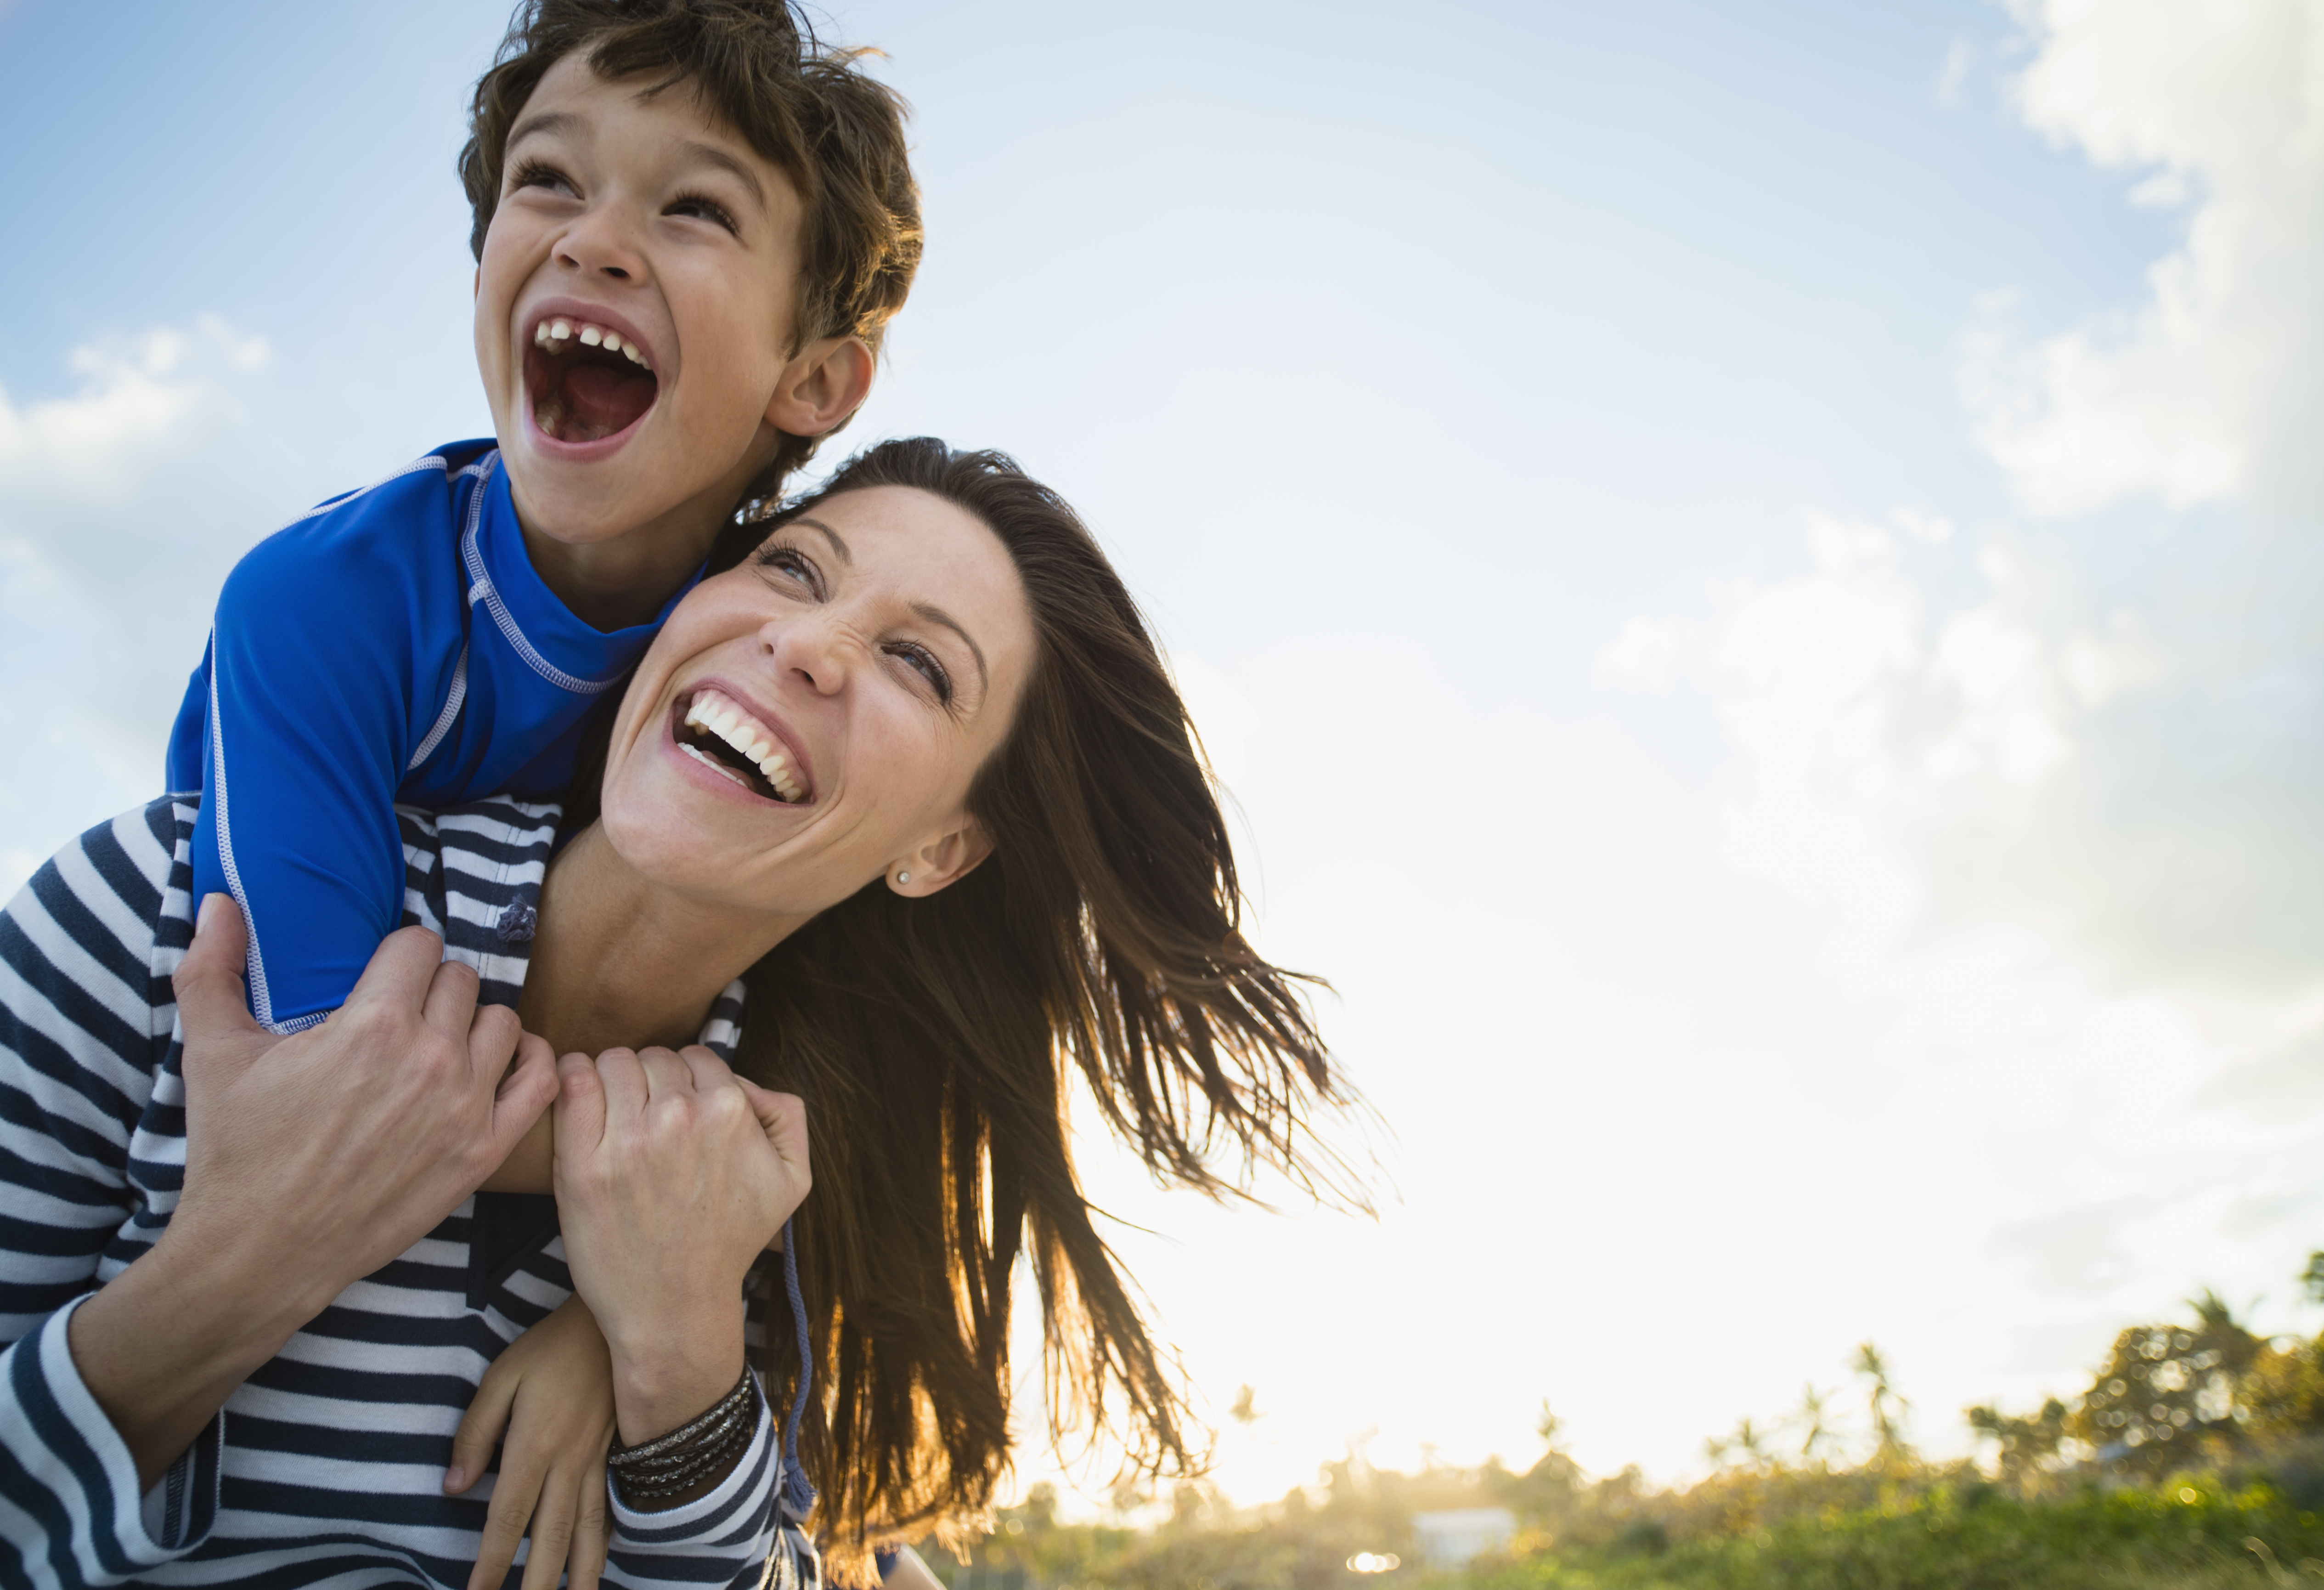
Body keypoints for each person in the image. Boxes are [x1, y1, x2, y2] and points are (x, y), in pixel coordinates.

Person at [0, 441, 1358, 1590]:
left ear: (942, 847)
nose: (812, 643)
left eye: (919, 666)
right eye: (794, 568)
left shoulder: (797, 1215)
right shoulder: (175, 911)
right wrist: (242, 1267)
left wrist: (676, 1358)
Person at [165, 0, 921, 1040]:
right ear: (484, 272)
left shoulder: (775, 661)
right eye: (548, 180)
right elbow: (310, 1080)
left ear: (815, 378)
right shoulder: (319, 603)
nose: (592, 241)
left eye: (696, 207)